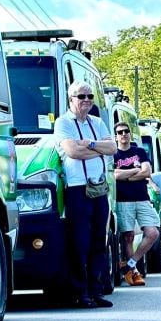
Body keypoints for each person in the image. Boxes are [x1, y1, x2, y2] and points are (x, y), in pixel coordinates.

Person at [54, 81, 117, 308]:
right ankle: (80, 292)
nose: (87, 100)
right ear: (71, 99)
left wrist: (89, 144)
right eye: (82, 96)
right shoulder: (63, 123)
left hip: (99, 188)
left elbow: (112, 148)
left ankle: (96, 289)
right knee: (80, 242)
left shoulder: (97, 122)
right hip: (78, 189)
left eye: (90, 96)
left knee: (99, 240)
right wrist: (98, 149)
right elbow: (71, 151)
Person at [113, 122, 159, 286]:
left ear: (130, 134)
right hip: (123, 201)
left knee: (152, 233)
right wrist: (134, 171)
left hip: (142, 198)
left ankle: (130, 264)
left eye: (126, 131)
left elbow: (147, 171)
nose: (123, 134)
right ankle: (134, 273)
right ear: (116, 135)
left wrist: (126, 176)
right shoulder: (114, 154)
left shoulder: (139, 151)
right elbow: (115, 175)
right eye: (120, 132)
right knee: (128, 237)